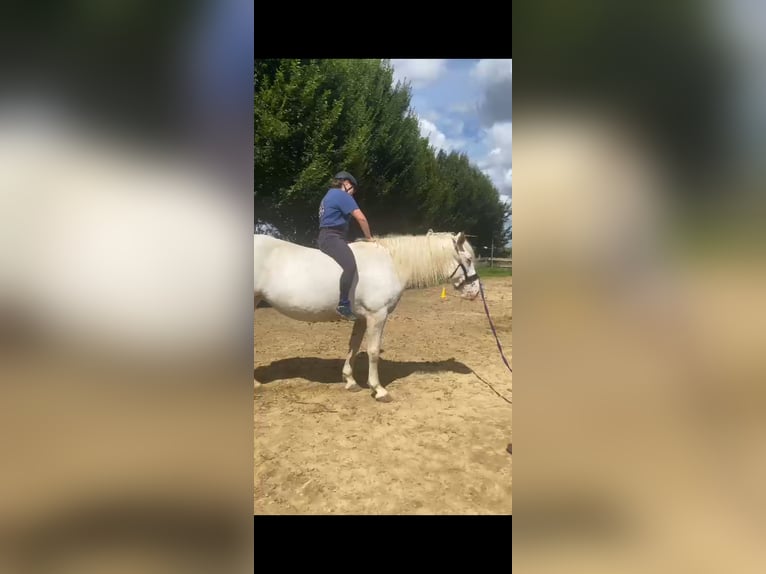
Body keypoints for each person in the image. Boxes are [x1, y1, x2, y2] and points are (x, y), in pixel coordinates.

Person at [317, 171, 374, 321]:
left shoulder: (328, 195)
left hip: (329, 236)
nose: (352, 195)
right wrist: (369, 238)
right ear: (347, 184)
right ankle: (343, 303)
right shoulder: (341, 195)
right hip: (332, 237)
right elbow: (361, 218)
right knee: (350, 266)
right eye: (353, 191)